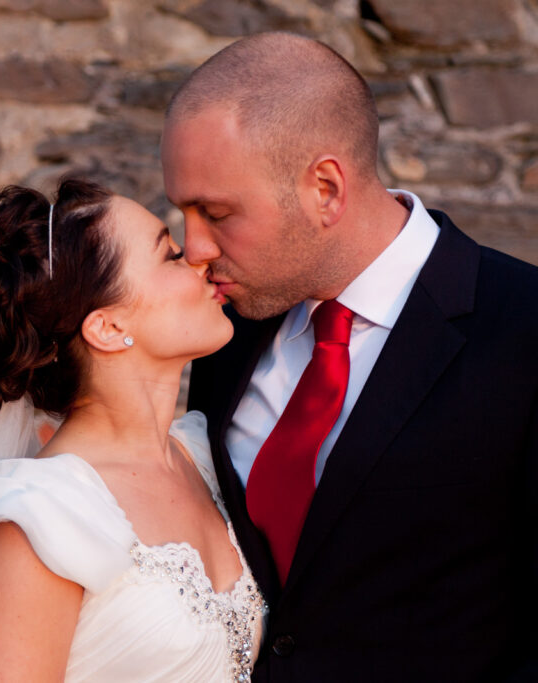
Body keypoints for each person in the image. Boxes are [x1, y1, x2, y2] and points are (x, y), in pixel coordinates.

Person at [162, 32, 538, 682]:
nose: (193, 246)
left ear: (327, 188)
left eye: (217, 212)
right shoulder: (223, 332)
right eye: (183, 211)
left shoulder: (525, 329)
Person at [0, 178, 268, 682]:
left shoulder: (206, 455)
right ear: (107, 328)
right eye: (170, 255)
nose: (199, 259)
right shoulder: (40, 519)